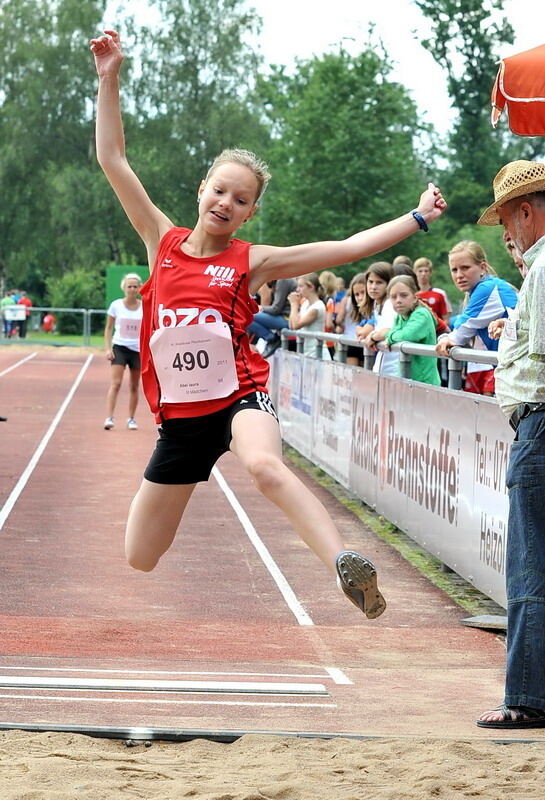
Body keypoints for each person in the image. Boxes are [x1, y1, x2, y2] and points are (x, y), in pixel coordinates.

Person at [90, 29, 446, 619]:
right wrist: (110, 79)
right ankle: (335, 559)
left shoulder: (252, 260)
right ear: (202, 189)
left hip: (239, 396)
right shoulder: (162, 241)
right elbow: (113, 158)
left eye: (241, 198)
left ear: (252, 211)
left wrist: (416, 217)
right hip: (180, 420)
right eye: (220, 190)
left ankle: (343, 564)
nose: (227, 203)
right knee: (139, 556)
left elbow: (345, 247)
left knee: (263, 466)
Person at [475, 160, 545, 729]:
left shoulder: (543, 267)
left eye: (506, 218)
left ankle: (526, 698)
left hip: (541, 426)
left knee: (530, 569)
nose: (505, 233)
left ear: (525, 211)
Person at [435, 241, 517, 395]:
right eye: (454, 270)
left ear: (483, 268)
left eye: (465, 268)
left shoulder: (487, 288)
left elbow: (460, 332)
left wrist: (445, 338)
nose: (459, 275)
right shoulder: (487, 286)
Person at [368, 276, 440, 385]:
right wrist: (390, 336)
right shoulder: (400, 316)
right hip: (407, 379)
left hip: (424, 382)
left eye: (404, 295)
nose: (398, 300)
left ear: (415, 296)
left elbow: (406, 335)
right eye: (393, 297)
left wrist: (388, 337)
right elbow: (397, 333)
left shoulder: (421, 314)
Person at [103, 272, 143, 430]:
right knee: (116, 383)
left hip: (137, 350)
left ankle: (131, 418)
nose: (132, 289)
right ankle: (109, 417)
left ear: (139, 288)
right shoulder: (116, 305)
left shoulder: (144, 306)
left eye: (135, 286)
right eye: (129, 286)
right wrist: (108, 348)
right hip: (119, 347)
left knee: (134, 385)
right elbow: (108, 328)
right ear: (124, 288)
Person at [359, 263, 399, 376]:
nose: (373, 287)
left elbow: (388, 330)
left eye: (379, 282)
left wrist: (372, 336)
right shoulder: (377, 304)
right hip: (384, 365)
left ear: (389, 284)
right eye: (370, 282)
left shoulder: (389, 304)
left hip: (394, 367)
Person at [246, 276, 296, 358]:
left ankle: (271, 338)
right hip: (281, 317)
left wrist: (260, 308)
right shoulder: (279, 281)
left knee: (248, 316)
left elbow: (276, 309)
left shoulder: (282, 280)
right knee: (247, 317)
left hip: (286, 318)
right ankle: (270, 338)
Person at [288, 273, 331, 359]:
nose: (297, 289)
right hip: (307, 353)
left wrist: (294, 304)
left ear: (311, 287)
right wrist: (294, 305)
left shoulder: (317, 306)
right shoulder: (305, 303)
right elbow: (291, 325)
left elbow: (296, 325)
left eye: (301, 286)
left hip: (317, 354)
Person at [319, 270, 338, 358]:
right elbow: (328, 324)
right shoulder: (330, 301)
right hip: (327, 341)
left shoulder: (318, 299)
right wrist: (335, 328)